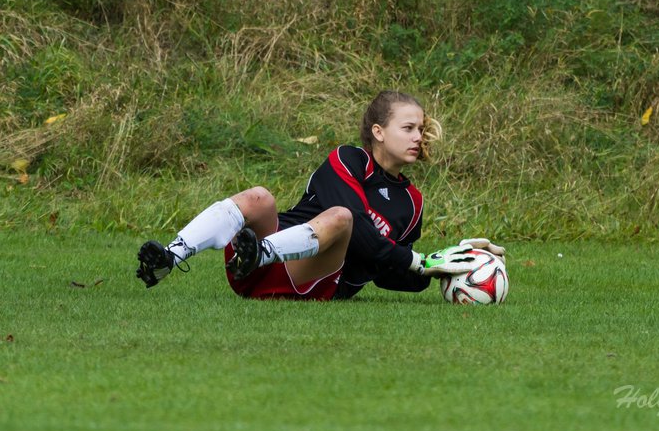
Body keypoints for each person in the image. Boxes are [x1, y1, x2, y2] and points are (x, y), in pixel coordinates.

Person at [136, 90, 505, 300]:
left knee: (344, 220)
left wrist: (444, 263)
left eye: (420, 129)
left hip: (314, 281)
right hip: (254, 268)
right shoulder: (348, 159)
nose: (417, 137)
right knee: (261, 197)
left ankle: (259, 253)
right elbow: (364, 234)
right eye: (407, 128)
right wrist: (417, 259)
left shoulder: (413, 203)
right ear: (378, 132)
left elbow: (392, 275)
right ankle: (170, 256)